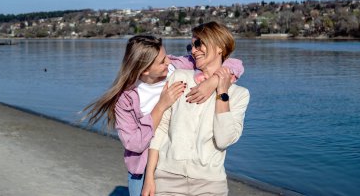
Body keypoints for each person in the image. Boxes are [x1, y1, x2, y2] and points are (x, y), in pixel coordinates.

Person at [83, 34, 244, 196]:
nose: (169, 61)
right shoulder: (126, 99)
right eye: (162, 61)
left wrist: (213, 82)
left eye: (165, 56)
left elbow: (234, 64)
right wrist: (160, 106)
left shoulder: (175, 68)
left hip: (173, 164)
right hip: (144, 166)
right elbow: (135, 144)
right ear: (145, 69)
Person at [142, 22, 250, 196]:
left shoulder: (239, 95)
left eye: (198, 44)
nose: (193, 50)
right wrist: (149, 178)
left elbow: (223, 140)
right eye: (191, 46)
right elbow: (161, 130)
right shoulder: (179, 77)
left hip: (211, 184)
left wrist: (221, 91)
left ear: (220, 47)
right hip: (167, 178)